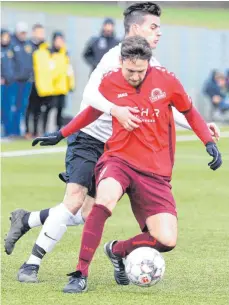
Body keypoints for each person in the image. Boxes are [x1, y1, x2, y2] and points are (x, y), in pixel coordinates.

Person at [4, 2, 220, 284]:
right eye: (153, 27)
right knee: (75, 201)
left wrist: (200, 126)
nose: (159, 33)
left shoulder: (150, 67)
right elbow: (92, 99)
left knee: (85, 214)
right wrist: (85, 123)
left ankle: (28, 220)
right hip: (90, 137)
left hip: (117, 144)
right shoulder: (112, 60)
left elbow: (162, 107)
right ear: (134, 28)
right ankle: (34, 264)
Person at [61, 36, 222, 293]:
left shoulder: (166, 80)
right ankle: (80, 273)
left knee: (167, 240)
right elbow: (93, 110)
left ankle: (116, 250)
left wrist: (207, 141)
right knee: (103, 202)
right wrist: (63, 132)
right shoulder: (110, 79)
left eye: (141, 71)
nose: (135, 76)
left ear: (149, 64)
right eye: (130, 70)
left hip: (155, 171)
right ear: (121, 61)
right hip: (118, 160)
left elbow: (189, 111)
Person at [24, 24, 53, 138]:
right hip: (30, 81)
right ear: (34, 33)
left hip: (42, 83)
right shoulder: (28, 46)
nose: (41, 35)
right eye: (39, 32)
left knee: (39, 109)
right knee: (29, 107)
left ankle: (37, 131)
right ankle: (27, 130)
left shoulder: (46, 47)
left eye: (42, 32)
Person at [11, 21, 33, 136]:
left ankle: (18, 131)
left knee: (22, 106)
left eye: (25, 33)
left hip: (26, 81)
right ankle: (11, 131)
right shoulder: (12, 45)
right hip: (15, 81)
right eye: (21, 32)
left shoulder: (28, 45)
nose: (23, 35)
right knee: (13, 106)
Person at [1, 29, 15, 137]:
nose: (5, 39)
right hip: (1, 84)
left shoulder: (10, 49)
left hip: (10, 84)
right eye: (3, 37)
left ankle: (8, 132)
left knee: (8, 108)